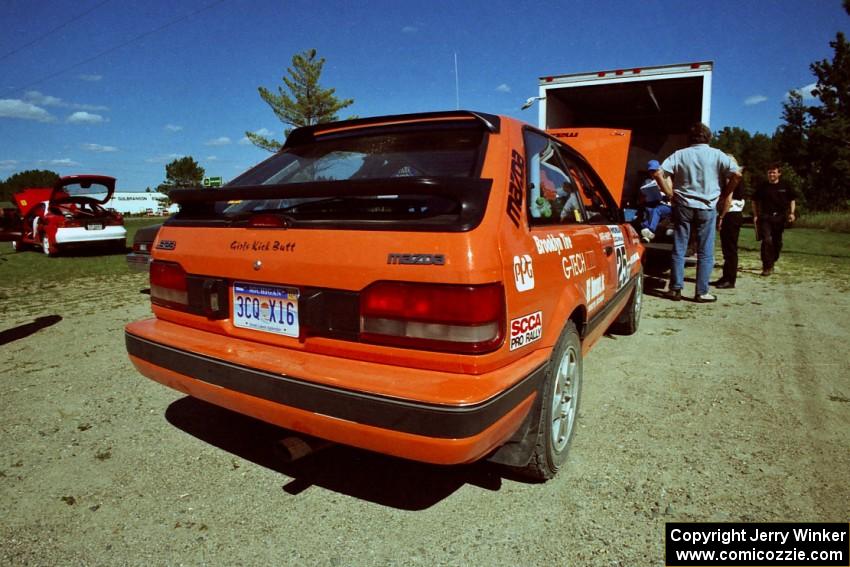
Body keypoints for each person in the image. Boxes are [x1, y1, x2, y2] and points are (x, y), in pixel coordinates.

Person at [652, 123, 741, 303]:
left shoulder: (680, 154)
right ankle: (701, 292)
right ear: (708, 138)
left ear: (690, 138)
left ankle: (675, 289)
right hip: (707, 207)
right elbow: (737, 175)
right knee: (705, 251)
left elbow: (657, 174)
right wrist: (724, 194)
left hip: (683, 206)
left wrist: (670, 194)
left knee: (680, 248)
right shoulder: (718, 155)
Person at [751, 163, 796, 276]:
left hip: (780, 217)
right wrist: (756, 215)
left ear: (779, 173)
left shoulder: (785, 186)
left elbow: (792, 200)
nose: (771, 174)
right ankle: (766, 266)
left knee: (777, 242)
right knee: (767, 240)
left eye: (774, 172)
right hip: (766, 217)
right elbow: (754, 201)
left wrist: (792, 213)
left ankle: (772, 260)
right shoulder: (763, 186)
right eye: (769, 172)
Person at [712, 156, 745, 289]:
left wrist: (721, 217)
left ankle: (730, 279)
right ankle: (727, 276)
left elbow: (728, 199)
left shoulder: (731, 179)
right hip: (734, 215)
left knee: (730, 249)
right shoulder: (736, 178)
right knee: (728, 249)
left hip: (731, 215)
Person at [639, 160, 672, 242]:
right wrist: (647, 196)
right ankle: (647, 236)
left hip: (666, 205)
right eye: (651, 171)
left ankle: (650, 230)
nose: (653, 173)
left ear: (659, 169)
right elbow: (641, 199)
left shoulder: (666, 178)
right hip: (653, 204)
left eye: (655, 171)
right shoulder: (647, 182)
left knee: (656, 210)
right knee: (649, 209)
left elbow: (670, 194)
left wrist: (662, 190)